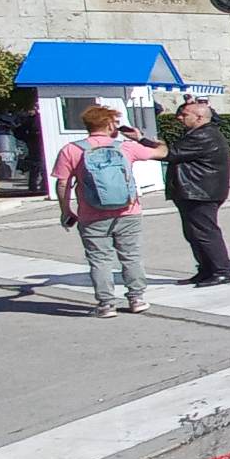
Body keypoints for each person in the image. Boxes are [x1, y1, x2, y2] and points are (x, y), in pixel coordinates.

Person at [51, 105, 167, 316]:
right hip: (128, 211)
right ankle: (136, 298)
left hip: (91, 214)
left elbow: (62, 183)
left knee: (99, 259)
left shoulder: (72, 149)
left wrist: (66, 210)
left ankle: (106, 304)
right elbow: (162, 151)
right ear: (110, 124)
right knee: (131, 255)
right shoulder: (125, 148)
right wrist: (140, 137)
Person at [162, 99, 230, 286]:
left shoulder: (204, 135)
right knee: (194, 233)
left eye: (185, 115)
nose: (179, 118)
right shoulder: (198, 133)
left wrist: (140, 143)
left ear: (200, 117)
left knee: (205, 233)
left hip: (200, 192)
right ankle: (206, 270)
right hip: (195, 192)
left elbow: (170, 153)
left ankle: (221, 271)